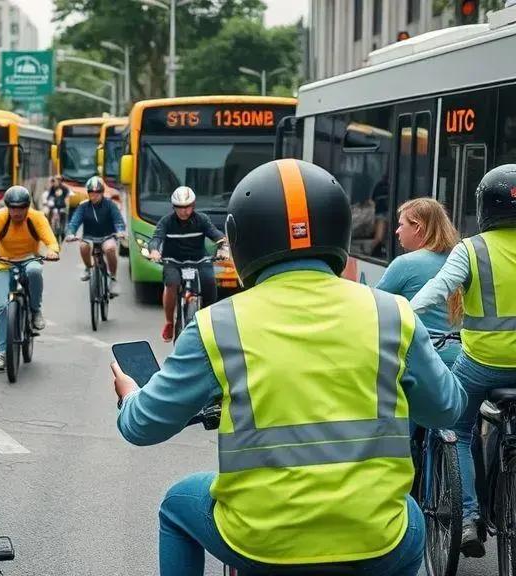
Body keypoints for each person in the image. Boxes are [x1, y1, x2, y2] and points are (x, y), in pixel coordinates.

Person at [111, 159, 467, 576]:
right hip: (372, 542)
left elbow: (142, 427)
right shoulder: (392, 314)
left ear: (241, 238)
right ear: (339, 228)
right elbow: (447, 409)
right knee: (409, 519)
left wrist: (129, 394)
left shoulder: (217, 324)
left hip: (258, 543)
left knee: (176, 505)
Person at [410, 164, 516, 558]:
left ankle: (467, 517)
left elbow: (436, 292)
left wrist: (400, 319)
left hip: (482, 365)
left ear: (484, 206)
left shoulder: (471, 249)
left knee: (457, 429)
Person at [0, 186, 60, 372]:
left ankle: (36, 310)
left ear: (27, 207)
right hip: (5, 263)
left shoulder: (36, 217)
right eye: (13, 208)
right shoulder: (0, 217)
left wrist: (53, 250)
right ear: (7, 207)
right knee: (2, 307)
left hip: (30, 258)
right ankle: (3, 353)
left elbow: (50, 240)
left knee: (35, 272)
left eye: (21, 207)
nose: (17, 212)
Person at [376, 198, 462, 367]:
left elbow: (373, 306)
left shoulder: (405, 264)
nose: (397, 231)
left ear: (417, 227)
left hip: (423, 358)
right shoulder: (459, 260)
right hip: (460, 356)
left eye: (401, 225)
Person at [148, 186, 229, 342]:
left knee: (210, 283)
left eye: (187, 207)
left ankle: (207, 322)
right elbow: (156, 239)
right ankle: (170, 323)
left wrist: (223, 247)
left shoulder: (202, 219)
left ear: (193, 206)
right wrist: (154, 251)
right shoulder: (166, 222)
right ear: (174, 207)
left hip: (200, 260)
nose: (184, 211)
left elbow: (216, 234)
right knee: (171, 283)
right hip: (173, 261)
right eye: (179, 208)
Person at [64, 176, 126, 296]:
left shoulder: (110, 205)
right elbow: (74, 222)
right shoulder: (83, 206)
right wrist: (70, 233)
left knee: (110, 249)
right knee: (83, 246)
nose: (94, 195)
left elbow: (118, 220)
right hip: (89, 237)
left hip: (107, 236)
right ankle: (88, 268)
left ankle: (113, 278)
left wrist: (121, 231)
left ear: (102, 192)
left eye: (97, 192)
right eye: (91, 192)